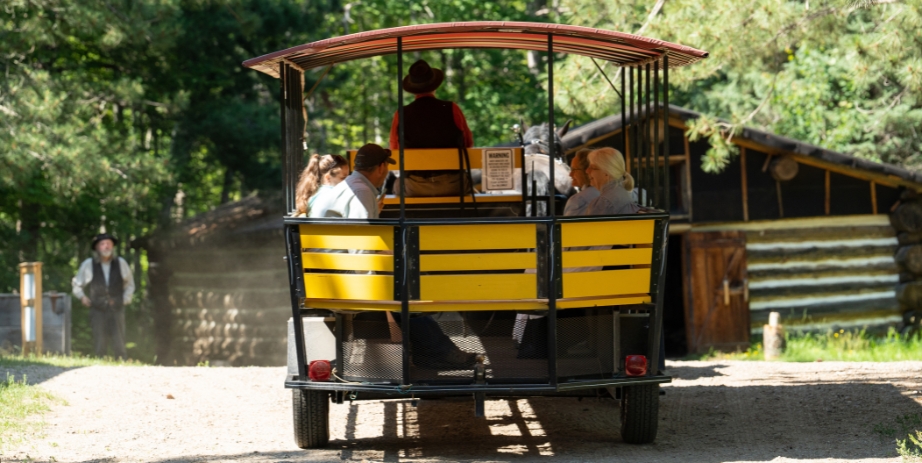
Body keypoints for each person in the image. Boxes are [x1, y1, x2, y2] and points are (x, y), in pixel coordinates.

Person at [309, 143, 475, 369]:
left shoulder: (352, 186)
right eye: (386, 167)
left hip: (328, 273)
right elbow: (363, 250)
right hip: (345, 279)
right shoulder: (362, 191)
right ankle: (437, 353)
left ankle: (435, 352)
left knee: (404, 281)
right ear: (380, 167)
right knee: (405, 287)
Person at [388, 59, 474, 197]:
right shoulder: (452, 108)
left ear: (413, 89)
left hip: (414, 186)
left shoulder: (401, 114)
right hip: (453, 184)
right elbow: (468, 143)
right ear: (434, 86)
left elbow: (394, 150)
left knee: (396, 184)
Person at [72, 233, 135, 359]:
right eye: (102, 244)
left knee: (119, 341)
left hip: (117, 307)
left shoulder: (121, 263)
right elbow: (77, 284)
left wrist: (126, 299)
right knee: (99, 342)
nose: (106, 246)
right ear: (96, 248)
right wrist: (82, 297)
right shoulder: (88, 264)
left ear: (113, 246)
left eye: (108, 243)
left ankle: (122, 365)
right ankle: (100, 367)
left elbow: (130, 284)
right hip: (97, 308)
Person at [584, 147, 641, 215]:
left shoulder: (603, 203)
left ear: (606, 173)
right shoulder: (624, 194)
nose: (587, 171)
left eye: (592, 167)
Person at [563, 148, 601, 217]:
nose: (570, 174)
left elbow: (569, 227)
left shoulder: (578, 200)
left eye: (574, 169)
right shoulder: (610, 193)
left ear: (586, 171)